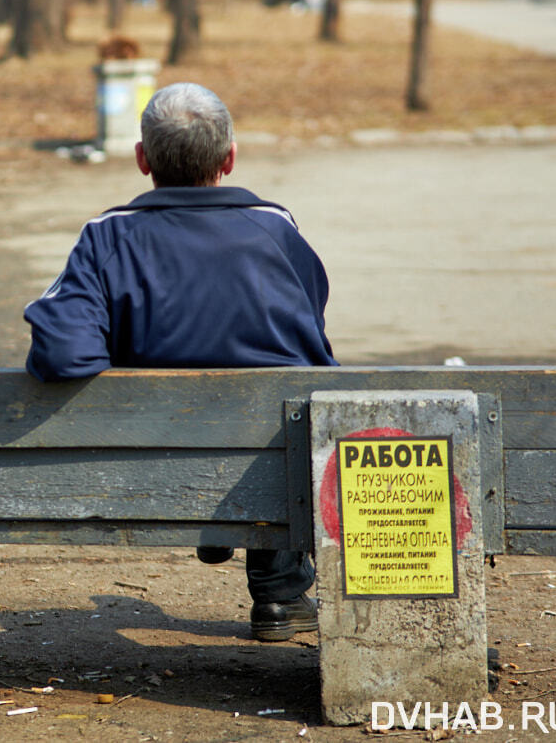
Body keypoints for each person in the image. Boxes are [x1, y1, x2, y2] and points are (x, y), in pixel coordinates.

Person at [23, 83, 337, 642]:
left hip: (159, 453)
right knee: (288, 392)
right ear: (230, 158)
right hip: (267, 452)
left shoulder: (108, 237)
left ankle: (218, 511)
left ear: (142, 159)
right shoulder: (276, 229)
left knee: (231, 407)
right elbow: (310, 332)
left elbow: (63, 351)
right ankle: (279, 591)